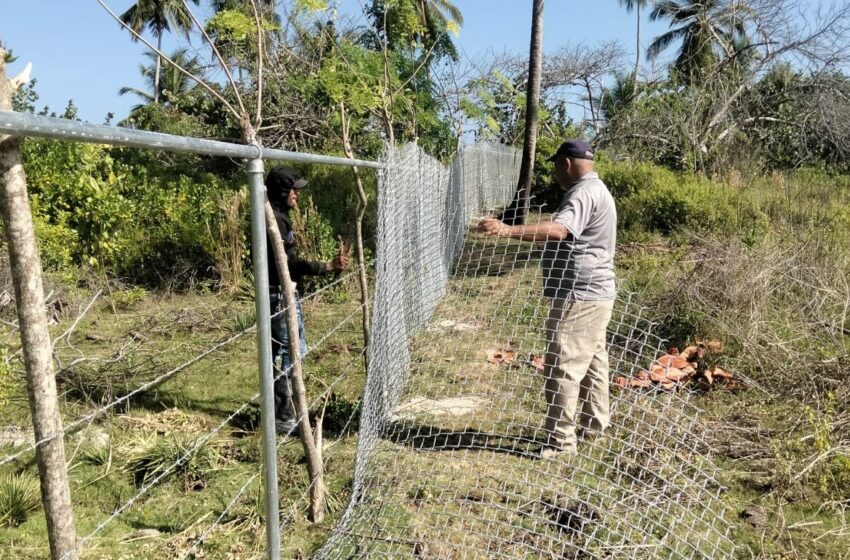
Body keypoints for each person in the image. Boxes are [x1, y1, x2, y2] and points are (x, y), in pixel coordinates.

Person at [478, 140, 617, 458]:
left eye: (556, 166)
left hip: (579, 295)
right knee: (593, 362)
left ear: (566, 164)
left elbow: (559, 230)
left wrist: (507, 230)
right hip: (596, 294)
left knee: (562, 366)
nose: (555, 173)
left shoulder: (583, 192)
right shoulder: (597, 190)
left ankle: (561, 442)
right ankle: (595, 428)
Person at [264, 166, 349, 435]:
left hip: (281, 291)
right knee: (287, 353)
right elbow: (286, 264)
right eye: (293, 190)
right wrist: (325, 267)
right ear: (281, 191)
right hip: (277, 294)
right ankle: (283, 417)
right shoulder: (275, 221)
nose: (296, 196)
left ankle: (285, 411)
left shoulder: (278, 217)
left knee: (288, 350)